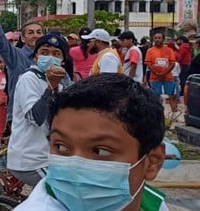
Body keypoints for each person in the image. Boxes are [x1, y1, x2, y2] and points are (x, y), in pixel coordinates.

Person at [16, 74, 170, 211]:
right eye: (61, 147)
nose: (75, 167)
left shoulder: (150, 203)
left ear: (152, 162)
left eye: (100, 151)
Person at [8, 34, 71, 187]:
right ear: (35, 57)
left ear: (62, 61)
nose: (50, 57)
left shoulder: (61, 85)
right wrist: (50, 88)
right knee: (63, 191)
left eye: (56, 54)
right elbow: (36, 118)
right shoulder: (29, 79)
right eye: (44, 52)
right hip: (31, 160)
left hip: (49, 157)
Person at [0, 0, 44, 126]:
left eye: (39, 32)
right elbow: (1, 43)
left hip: (46, 118)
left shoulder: (52, 60)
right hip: (20, 118)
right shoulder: (16, 56)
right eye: (30, 33)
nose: (35, 35)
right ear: (23, 39)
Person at [144, 32, 177, 110]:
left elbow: (172, 63)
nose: (157, 40)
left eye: (159, 38)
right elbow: (148, 63)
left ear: (163, 39)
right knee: (155, 97)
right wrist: (156, 73)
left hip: (168, 77)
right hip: (154, 77)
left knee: (172, 96)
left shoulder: (169, 50)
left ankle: (174, 115)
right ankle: (157, 114)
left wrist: (164, 73)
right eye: (155, 38)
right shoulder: (150, 51)